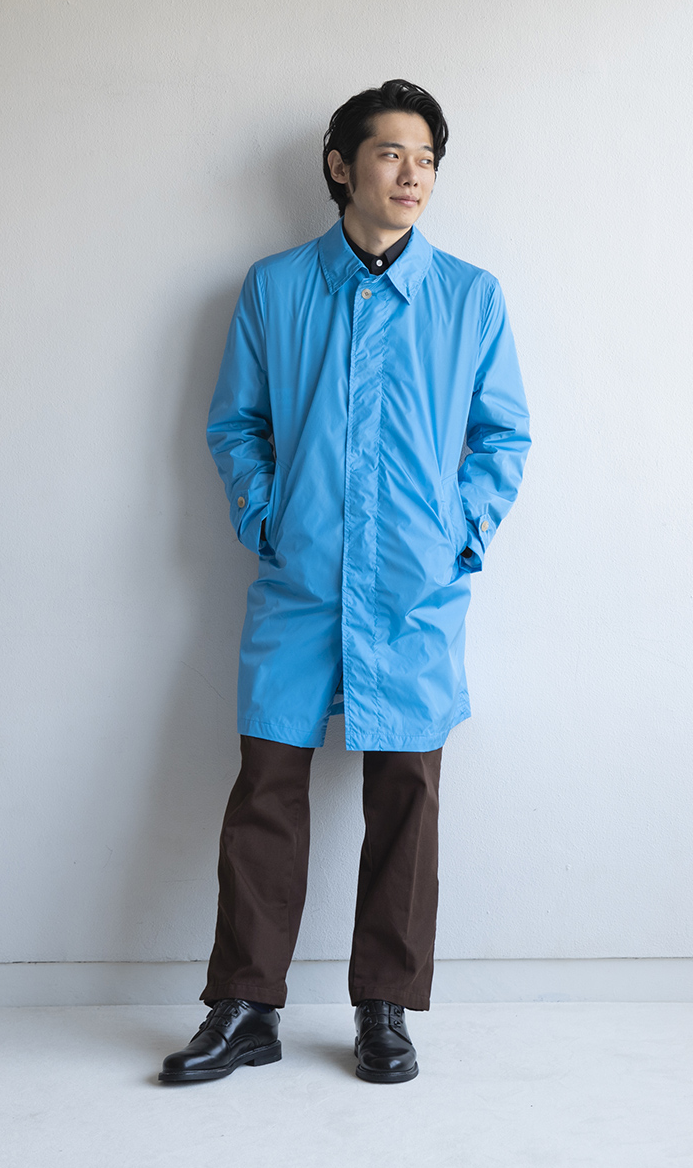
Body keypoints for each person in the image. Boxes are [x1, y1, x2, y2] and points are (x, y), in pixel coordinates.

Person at [159, 79, 530, 1086]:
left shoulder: (469, 298)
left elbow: (502, 435)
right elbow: (237, 424)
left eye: (427, 159)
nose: (412, 176)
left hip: (413, 590)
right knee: (266, 790)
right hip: (302, 582)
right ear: (341, 165)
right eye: (391, 153)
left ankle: (384, 1008)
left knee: (406, 793)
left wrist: (458, 535)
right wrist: (267, 517)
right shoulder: (276, 289)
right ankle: (245, 1005)